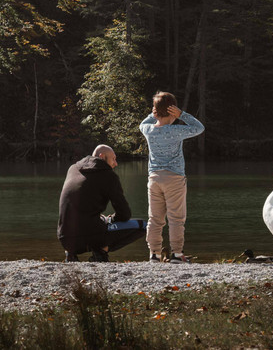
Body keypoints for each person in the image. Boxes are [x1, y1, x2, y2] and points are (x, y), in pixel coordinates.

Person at [139, 91, 205, 263]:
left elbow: (142, 123)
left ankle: (154, 254)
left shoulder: (148, 130)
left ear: (155, 112)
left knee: (155, 218)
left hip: (154, 178)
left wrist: (153, 113)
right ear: (172, 111)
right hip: (174, 178)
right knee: (176, 218)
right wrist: (182, 114)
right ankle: (176, 253)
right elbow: (199, 128)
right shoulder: (176, 130)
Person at [58, 144, 145, 262]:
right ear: (102, 156)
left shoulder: (73, 169)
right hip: (91, 237)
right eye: (113, 159)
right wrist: (110, 219)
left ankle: (71, 254)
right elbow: (124, 214)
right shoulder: (109, 176)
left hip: (65, 238)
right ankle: (101, 252)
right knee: (143, 226)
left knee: (86, 222)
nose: (116, 163)